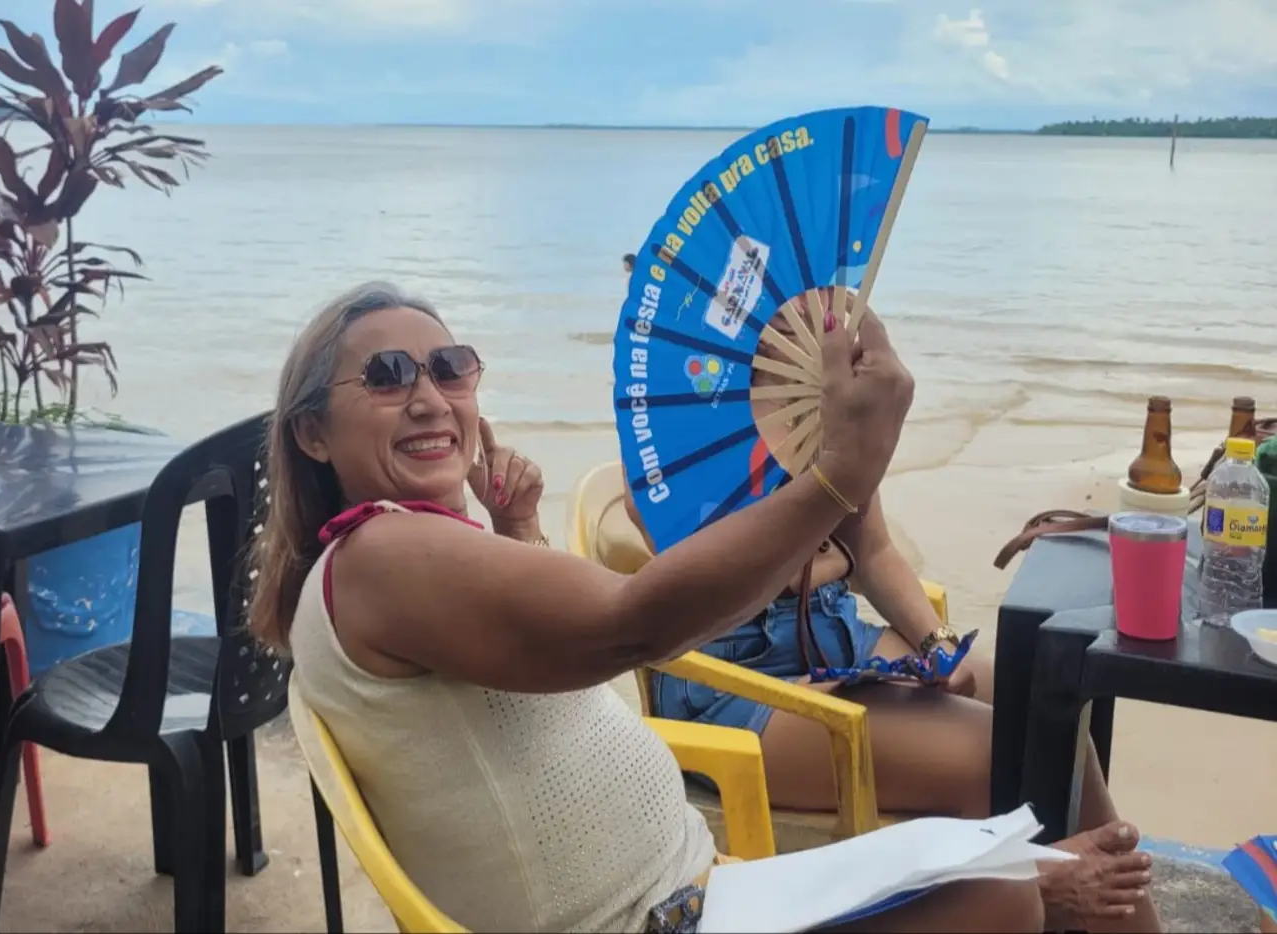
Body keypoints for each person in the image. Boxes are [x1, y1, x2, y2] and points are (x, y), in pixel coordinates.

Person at [252, 281, 1150, 933]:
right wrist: (841, 473)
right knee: (1011, 893)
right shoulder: (383, 556)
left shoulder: (406, 554)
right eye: (387, 376)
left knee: (1015, 867)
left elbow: (552, 663)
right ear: (312, 433)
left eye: (449, 368)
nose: (427, 396)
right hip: (660, 914)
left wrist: (517, 524)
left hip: (702, 894)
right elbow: (630, 625)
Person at [623, 289, 1160, 933]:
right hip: (732, 679)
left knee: (1047, 708)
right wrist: (824, 529)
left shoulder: (819, 419)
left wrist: (937, 645)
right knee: (986, 753)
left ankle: (1103, 917)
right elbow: (717, 589)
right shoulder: (675, 447)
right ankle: (1035, 898)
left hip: (836, 636)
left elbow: (872, 551)